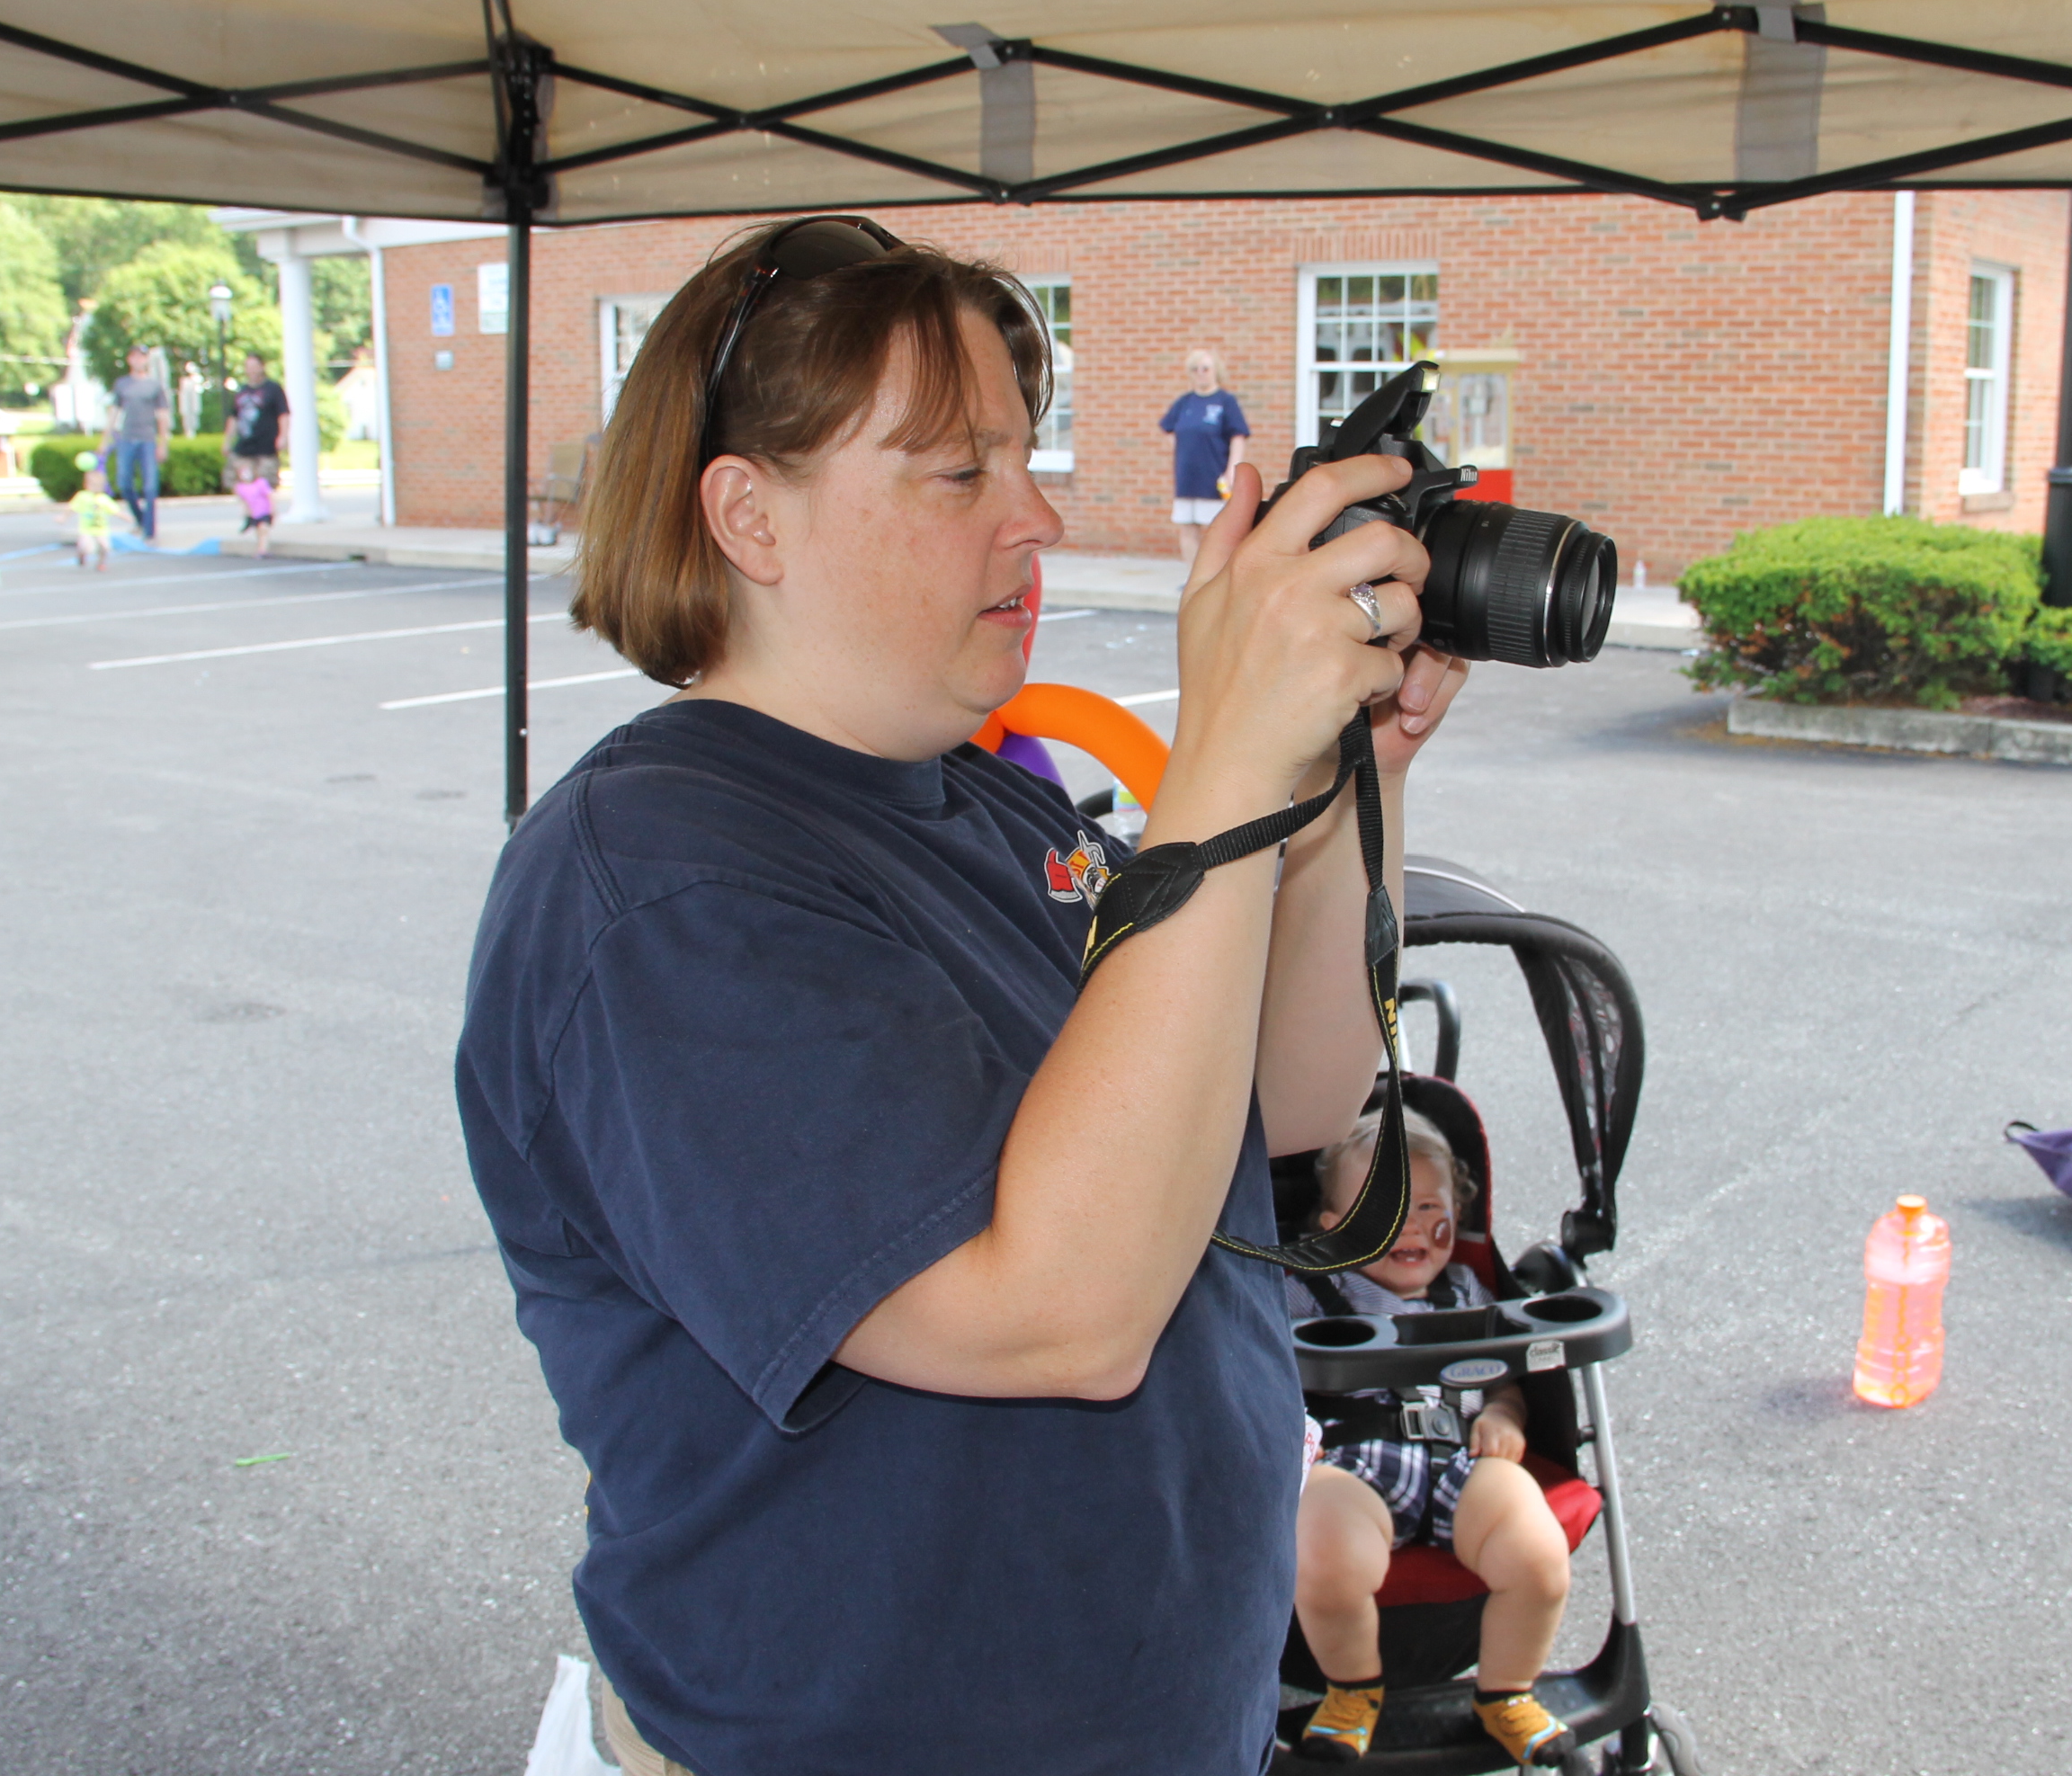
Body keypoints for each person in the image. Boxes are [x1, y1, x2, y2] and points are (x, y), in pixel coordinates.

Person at [456, 216, 1469, 1776]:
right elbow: (1053, 1317)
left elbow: (1280, 1100)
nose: (1038, 514)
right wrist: (1218, 765)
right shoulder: (658, 882)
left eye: (1024, 453)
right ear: (749, 516)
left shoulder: (989, 803)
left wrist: (1350, 782)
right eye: (957, 471)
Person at [1288, 1111, 1579, 1769]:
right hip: (1353, 1461)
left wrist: (1506, 1413)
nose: (1410, 1226)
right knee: (1324, 1555)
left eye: (1427, 1208)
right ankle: (1353, 1690)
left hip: (1463, 1457)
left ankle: (1506, 1692)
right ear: (1332, 1230)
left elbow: (1505, 1379)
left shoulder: (1469, 1294)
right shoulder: (1305, 1293)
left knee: (1537, 1556)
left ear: (1457, 1213)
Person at [1161, 346, 1250, 565]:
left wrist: (1232, 470)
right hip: (1187, 479)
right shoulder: (1185, 402)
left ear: (1215, 370)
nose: (1200, 373)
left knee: (1216, 532)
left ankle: (1214, 575)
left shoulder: (1225, 402)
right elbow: (1168, 428)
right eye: (1195, 369)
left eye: (1205, 368)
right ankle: (1193, 576)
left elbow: (1238, 437)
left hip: (1214, 478)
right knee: (1188, 529)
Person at [103, 345, 170, 541]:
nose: (138, 360)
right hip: (127, 438)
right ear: (129, 360)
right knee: (124, 483)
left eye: (142, 357)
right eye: (134, 357)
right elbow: (114, 412)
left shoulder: (154, 386)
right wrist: (105, 439)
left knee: (150, 486)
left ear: (146, 360)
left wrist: (163, 443)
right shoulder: (122, 384)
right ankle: (140, 519)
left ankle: (150, 530)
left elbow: (163, 415)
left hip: (147, 439)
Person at [228, 351, 291, 549]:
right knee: (241, 485)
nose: (252, 370)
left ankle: (263, 527)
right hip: (245, 447)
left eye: (255, 366)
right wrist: (227, 440)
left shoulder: (273, 389)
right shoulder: (241, 391)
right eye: (248, 366)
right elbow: (234, 417)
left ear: (262, 367)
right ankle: (250, 515)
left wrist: (283, 436)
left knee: (264, 488)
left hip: (266, 446)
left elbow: (283, 414)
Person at [67, 451, 118, 571]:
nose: (96, 487)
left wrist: (126, 517)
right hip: (86, 529)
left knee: (105, 547)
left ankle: (101, 563)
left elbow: (114, 510)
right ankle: (81, 555)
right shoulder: (83, 496)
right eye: (94, 484)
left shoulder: (103, 498)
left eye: (99, 485)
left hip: (101, 529)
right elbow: (72, 507)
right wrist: (63, 517)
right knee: (86, 548)